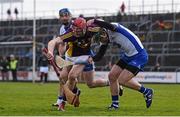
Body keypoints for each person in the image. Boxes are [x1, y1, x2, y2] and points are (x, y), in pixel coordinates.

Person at [47, 17, 123, 111]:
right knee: (69, 78)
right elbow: (53, 41)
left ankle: (63, 102)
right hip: (70, 56)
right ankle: (62, 100)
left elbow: (104, 27)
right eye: (75, 29)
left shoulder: (91, 29)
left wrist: (104, 35)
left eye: (79, 30)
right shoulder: (70, 33)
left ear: (84, 28)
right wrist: (50, 51)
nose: (76, 32)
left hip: (85, 57)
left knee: (76, 78)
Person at [87, 19, 153, 109]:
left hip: (139, 55)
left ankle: (146, 91)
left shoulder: (113, 27)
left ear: (103, 29)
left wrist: (95, 20)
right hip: (127, 56)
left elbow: (110, 26)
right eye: (100, 38)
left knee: (121, 80)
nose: (102, 39)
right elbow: (100, 55)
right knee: (112, 76)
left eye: (101, 36)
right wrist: (92, 58)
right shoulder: (104, 36)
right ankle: (115, 104)